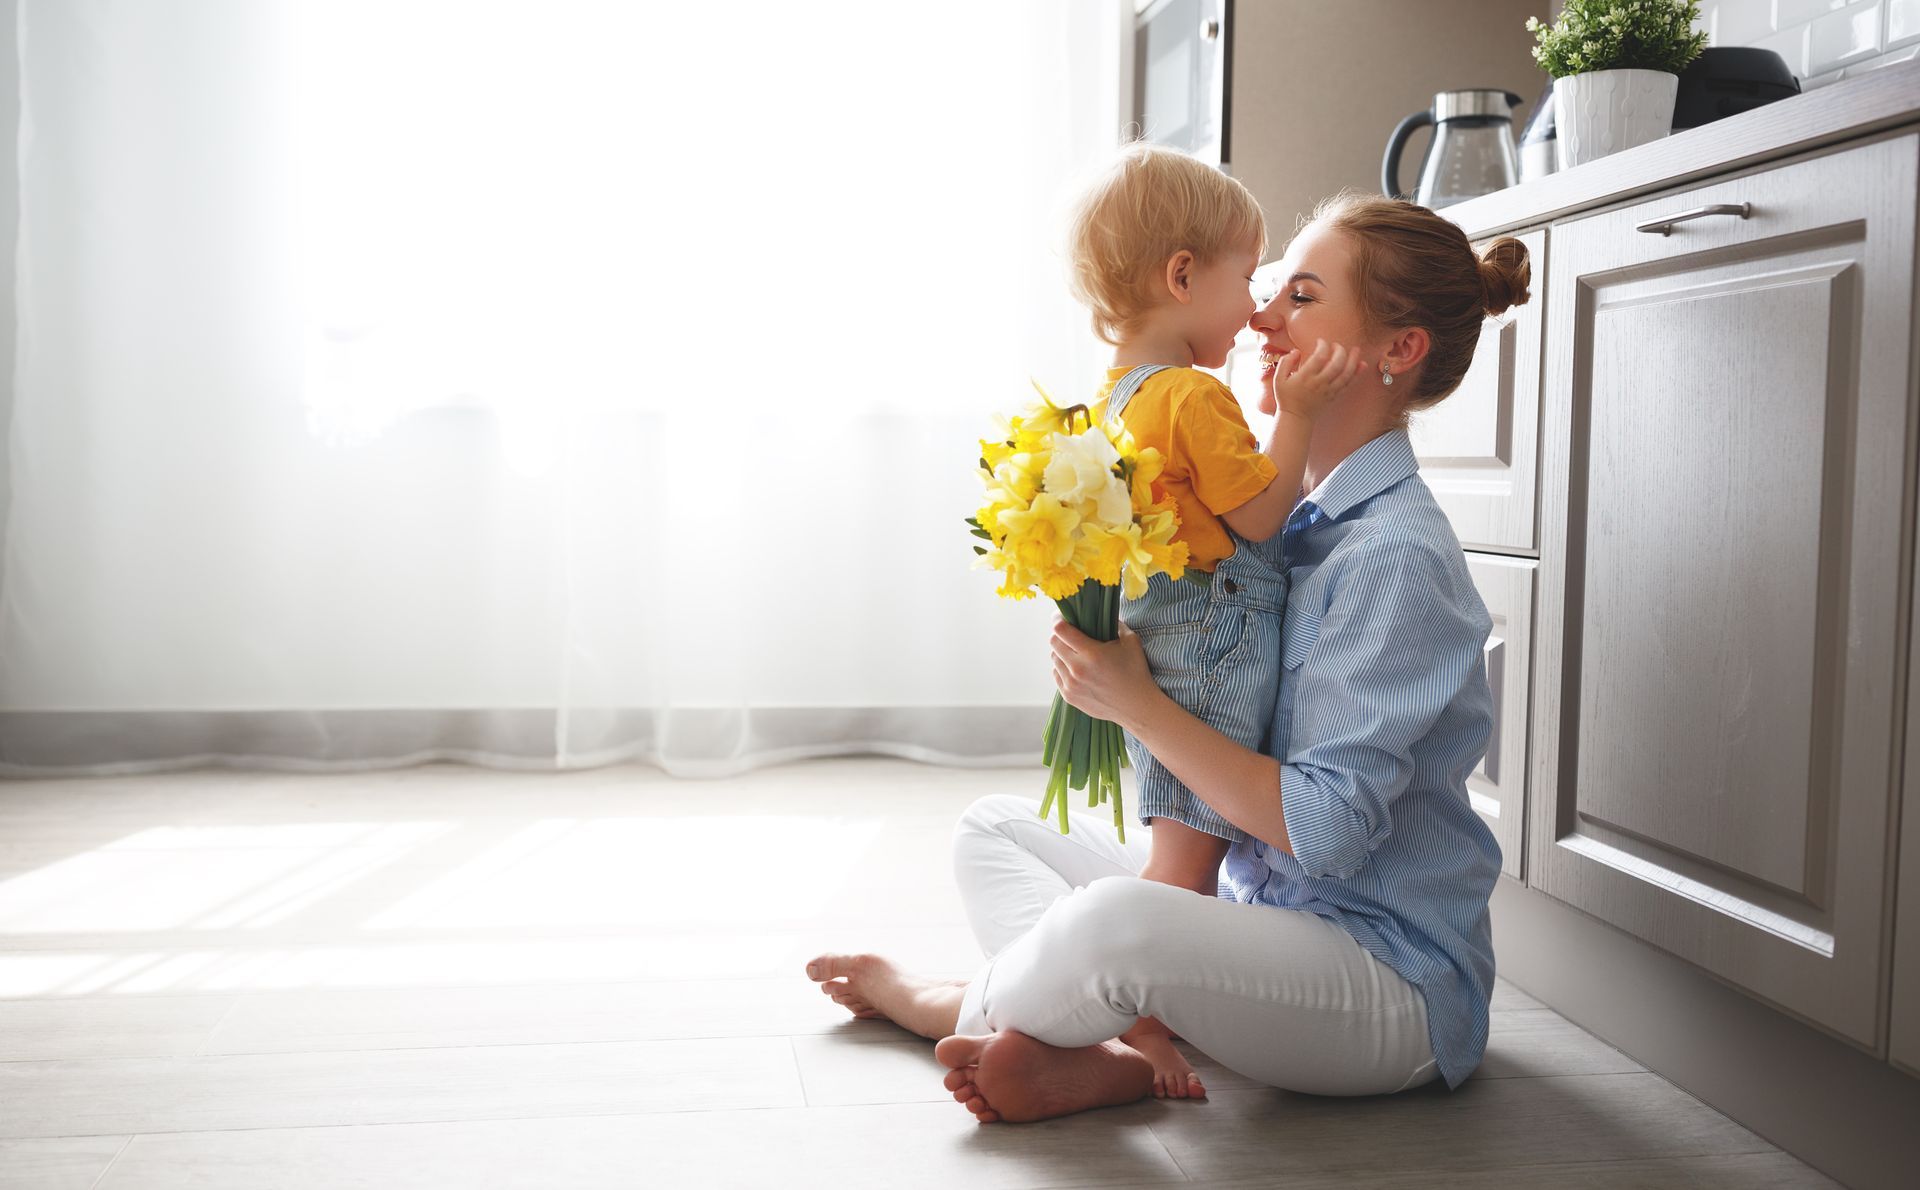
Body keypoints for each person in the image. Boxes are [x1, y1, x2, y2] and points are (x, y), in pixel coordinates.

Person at [807, 191, 1531, 1124]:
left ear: (1398, 351)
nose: (1263, 318)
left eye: (1302, 298)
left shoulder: (1396, 554)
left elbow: (1327, 831)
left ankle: (943, 1001)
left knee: (1118, 923)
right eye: (1269, 291)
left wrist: (1138, 703)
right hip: (1258, 924)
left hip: (1386, 982)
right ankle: (1100, 1045)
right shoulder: (1282, 523)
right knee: (995, 828)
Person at [1063, 144, 1365, 1097]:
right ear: (1182, 276)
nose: (1254, 309)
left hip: (1162, 639)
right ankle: (1121, 1027)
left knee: (1177, 849)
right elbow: (1263, 514)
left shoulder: (1107, 401)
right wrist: (1301, 414)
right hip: (1215, 650)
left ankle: (1122, 1016)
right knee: (1183, 870)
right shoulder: (1193, 394)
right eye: (1248, 279)